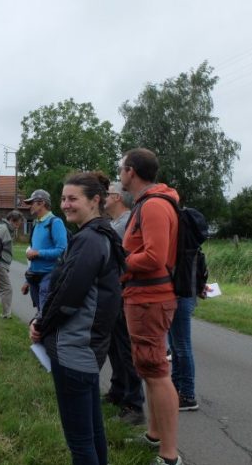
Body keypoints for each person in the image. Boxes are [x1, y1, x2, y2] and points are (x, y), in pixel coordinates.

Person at [30, 172, 125, 465]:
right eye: (63, 198)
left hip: (74, 350)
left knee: (80, 442)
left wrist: (41, 325)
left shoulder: (89, 240)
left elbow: (68, 296)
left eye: (73, 199)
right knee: (93, 433)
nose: (66, 205)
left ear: (95, 200)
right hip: (87, 349)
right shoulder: (101, 234)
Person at [119, 148, 182, 465]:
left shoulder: (154, 205)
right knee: (148, 366)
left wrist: (122, 260)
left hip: (150, 299)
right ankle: (155, 434)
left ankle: (169, 455)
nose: (119, 175)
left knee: (157, 372)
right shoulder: (148, 203)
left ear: (131, 171)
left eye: (121, 169)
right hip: (143, 298)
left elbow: (155, 257)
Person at [103, 182, 145, 425]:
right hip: (115, 293)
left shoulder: (125, 224)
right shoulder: (115, 224)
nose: (103, 198)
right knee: (115, 347)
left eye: (107, 194)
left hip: (123, 293)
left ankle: (133, 404)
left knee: (125, 349)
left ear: (117, 197)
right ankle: (118, 391)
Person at [20, 189, 68, 310]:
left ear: (41, 203)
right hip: (34, 277)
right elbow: (32, 253)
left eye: (32, 203)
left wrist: (38, 253)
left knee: (44, 314)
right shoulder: (37, 224)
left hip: (49, 276)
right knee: (40, 312)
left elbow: (62, 250)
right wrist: (27, 281)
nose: (30, 206)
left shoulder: (55, 222)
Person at [0, 210, 23, 319]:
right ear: (11, 221)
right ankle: (6, 314)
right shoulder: (3, 229)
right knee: (7, 288)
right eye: (17, 224)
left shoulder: (4, 228)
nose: (18, 226)